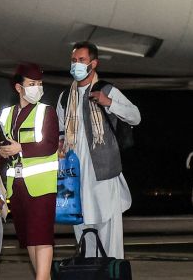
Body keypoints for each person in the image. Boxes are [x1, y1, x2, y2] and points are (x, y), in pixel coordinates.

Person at [57, 41, 141, 259]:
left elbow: (135, 116)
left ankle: (112, 274)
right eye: (74, 61)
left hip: (104, 173)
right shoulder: (65, 97)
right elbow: (60, 130)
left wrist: (109, 102)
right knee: (83, 228)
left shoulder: (106, 90)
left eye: (81, 60)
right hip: (76, 176)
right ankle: (90, 276)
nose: (76, 64)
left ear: (93, 63)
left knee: (108, 228)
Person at [0, 62, 59, 280]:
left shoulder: (47, 111)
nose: (37, 88)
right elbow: (0, 141)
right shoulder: (7, 114)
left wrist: (20, 148)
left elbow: (50, 144)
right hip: (17, 184)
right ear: (18, 87)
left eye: (39, 84)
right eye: (32, 84)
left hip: (41, 183)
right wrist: (0, 150)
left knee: (41, 236)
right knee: (29, 237)